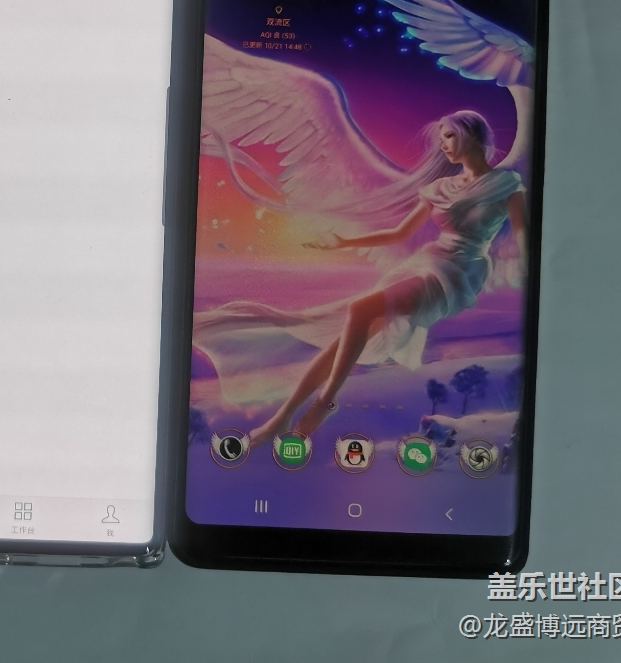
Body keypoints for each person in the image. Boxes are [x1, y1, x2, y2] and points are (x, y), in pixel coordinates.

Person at [196, 110, 526, 448]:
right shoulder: (441, 188)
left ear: (472, 135)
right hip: (424, 262)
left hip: (458, 273)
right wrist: (343, 242)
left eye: (450, 136)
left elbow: (523, 237)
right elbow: (399, 233)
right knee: (341, 343)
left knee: (360, 310)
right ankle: (281, 419)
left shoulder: (506, 186)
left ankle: (325, 402)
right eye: (441, 138)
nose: (443, 145)